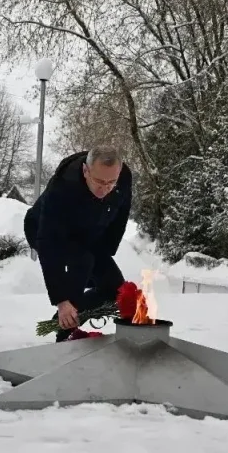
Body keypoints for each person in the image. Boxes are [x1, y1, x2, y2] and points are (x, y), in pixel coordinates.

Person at [24, 146, 132, 342]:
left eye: (111, 182)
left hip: (88, 234)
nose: (105, 188)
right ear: (85, 171)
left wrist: (106, 253)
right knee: (82, 263)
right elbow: (48, 242)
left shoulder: (123, 177)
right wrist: (61, 300)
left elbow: (120, 215)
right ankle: (64, 333)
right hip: (45, 230)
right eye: (99, 181)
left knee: (115, 288)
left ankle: (62, 320)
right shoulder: (63, 187)